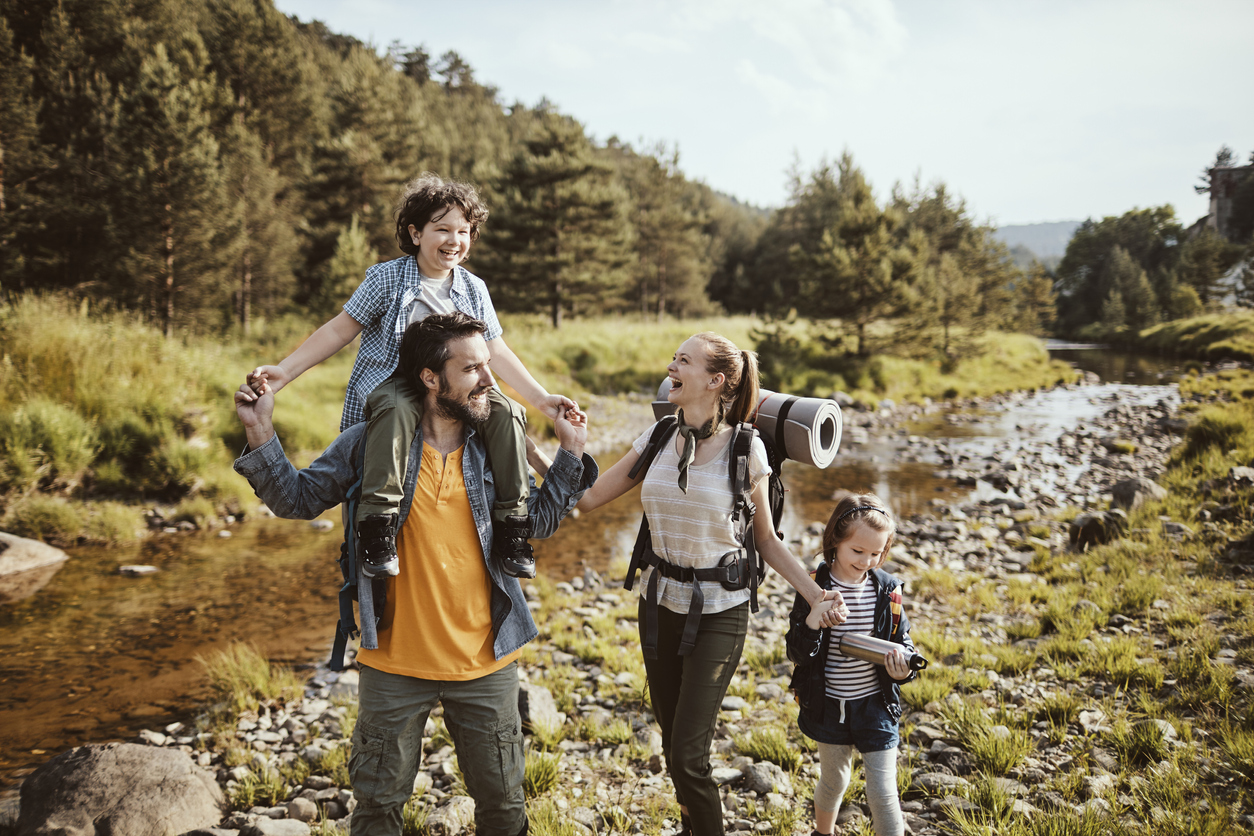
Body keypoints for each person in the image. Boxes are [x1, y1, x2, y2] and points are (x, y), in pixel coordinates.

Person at [233, 312, 596, 836]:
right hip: (393, 664)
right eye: (472, 369)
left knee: (503, 806)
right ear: (429, 377)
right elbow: (297, 499)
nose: (489, 381)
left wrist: (572, 451)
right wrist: (259, 429)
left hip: (486, 663)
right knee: (378, 807)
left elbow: (537, 521)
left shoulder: (495, 446)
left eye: (488, 365)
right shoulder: (369, 442)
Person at [575, 332, 848, 836]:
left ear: (716, 381)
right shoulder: (658, 436)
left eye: (684, 360)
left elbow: (765, 540)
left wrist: (815, 593)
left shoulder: (747, 450)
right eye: (674, 357)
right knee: (671, 740)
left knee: (688, 757)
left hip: (721, 612)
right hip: (658, 604)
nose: (671, 365)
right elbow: (588, 500)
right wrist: (530, 445)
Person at [243, 174, 573, 582]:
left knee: (507, 410)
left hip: (458, 392)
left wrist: (541, 399)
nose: (454, 240)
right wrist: (285, 372)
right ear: (416, 233)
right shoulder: (386, 279)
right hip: (397, 384)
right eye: (442, 229)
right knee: (398, 407)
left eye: (463, 231)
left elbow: (497, 350)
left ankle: (513, 525)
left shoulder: (474, 288)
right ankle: (378, 523)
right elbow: (339, 329)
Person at [785, 492, 919, 836]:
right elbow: (796, 653)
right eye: (857, 551)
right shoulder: (814, 585)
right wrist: (814, 620)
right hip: (828, 705)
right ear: (835, 542)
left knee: (884, 791)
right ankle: (823, 832)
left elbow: (903, 642)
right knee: (834, 780)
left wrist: (903, 669)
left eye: (876, 553)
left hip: (876, 705)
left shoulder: (887, 590)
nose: (866, 560)